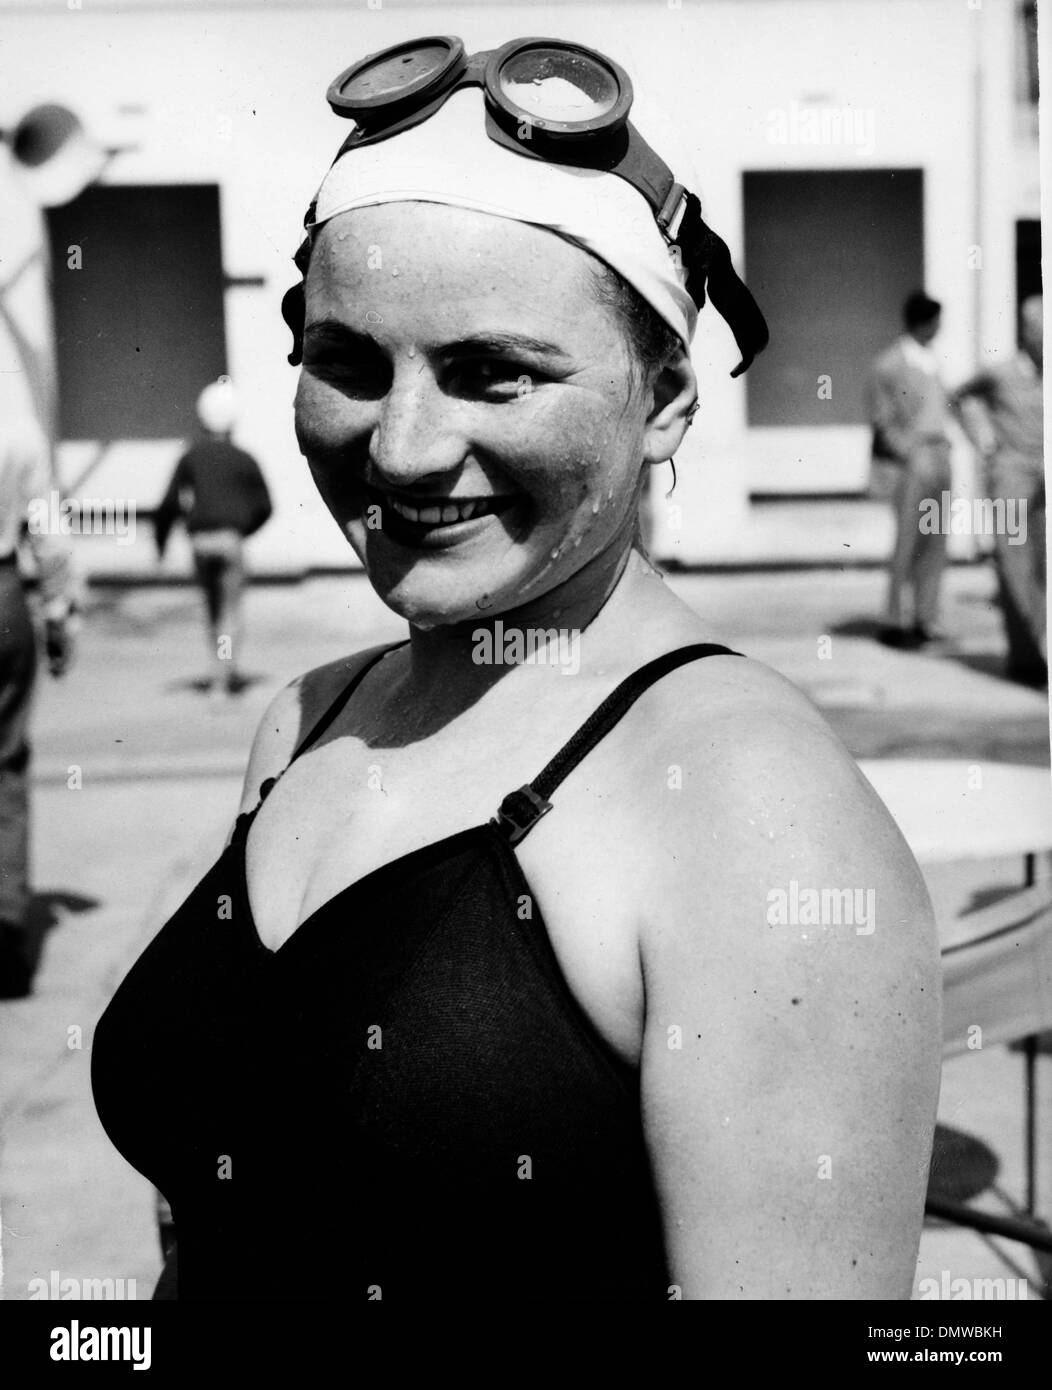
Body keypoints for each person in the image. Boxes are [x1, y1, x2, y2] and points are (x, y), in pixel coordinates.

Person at [92, 36, 941, 1300]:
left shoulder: (748, 808)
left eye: (494, 373)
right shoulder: (310, 718)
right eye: (347, 363)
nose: (402, 448)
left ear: (662, 397)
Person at [0, 414, 76, 998]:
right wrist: (57, 619)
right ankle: (5, 930)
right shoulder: (17, 435)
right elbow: (49, 536)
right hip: (4, 599)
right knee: (6, 764)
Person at [153, 378, 272, 695]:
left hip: (200, 542)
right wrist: (242, 530)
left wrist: (161, 546)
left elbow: (167, 504)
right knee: (232, 613)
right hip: (230, 540)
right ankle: (224, 677)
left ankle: (218, 672)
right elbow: (265, 506)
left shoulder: (191, 457)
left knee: (212, 610)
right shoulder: (244, 458)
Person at [950, 296, 1045, 686]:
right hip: (1009, 479)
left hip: (1042, 483)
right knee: (1014, 563)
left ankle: (1029, 656)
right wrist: (981, 437)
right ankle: (1035, 648)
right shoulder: (1001, 373)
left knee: (1040, 566)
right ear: (1027, 332)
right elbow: (960, 396)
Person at [867, 291, 954, 648]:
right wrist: (910, 453)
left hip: (940, 455)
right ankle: (894, 621)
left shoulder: (931, 360)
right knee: (907, 541)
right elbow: (882, 420)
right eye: (935, 321)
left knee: (935, 542)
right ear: (923, 322)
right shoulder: (890, 363)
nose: (939, 327)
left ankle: (925, 619)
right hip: (912, 462)